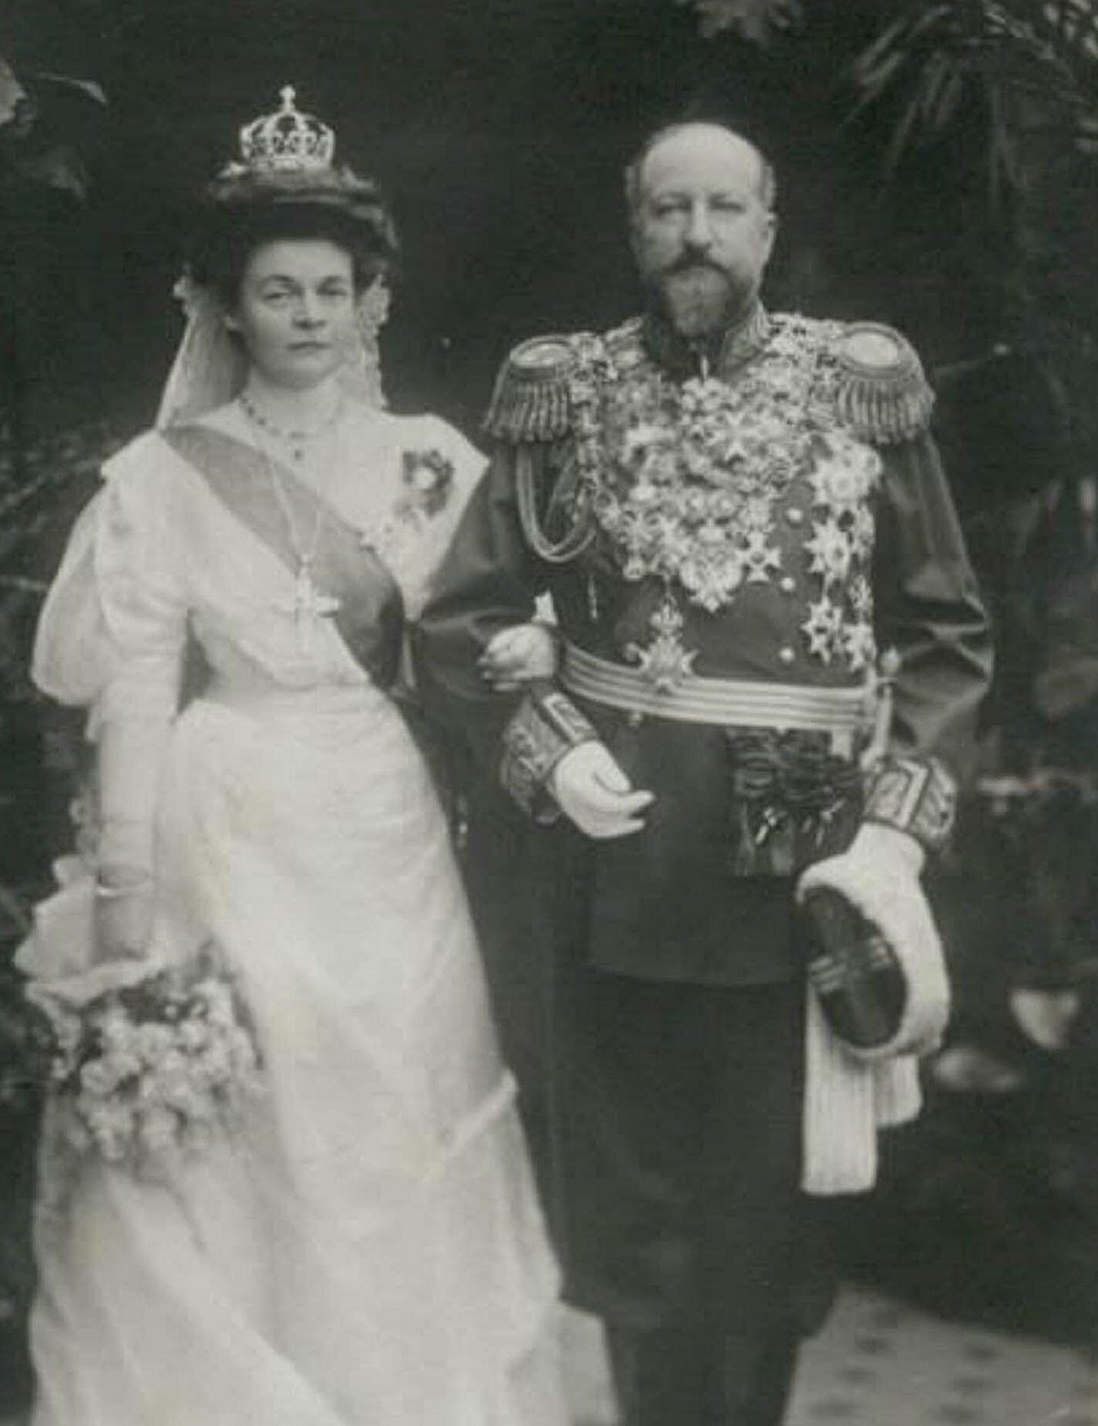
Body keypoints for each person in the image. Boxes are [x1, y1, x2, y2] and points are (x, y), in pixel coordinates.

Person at [413, 118, 993, 1426]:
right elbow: (457, 624)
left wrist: (896, 835)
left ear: (769, 228)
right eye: (670, 209)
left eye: (724, 209)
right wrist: (548, 756)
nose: (696, 237)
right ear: (634, 227)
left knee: (770, 1225)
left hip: (807, 876)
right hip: (618, 861)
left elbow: (948, 637)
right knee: (636, 1225)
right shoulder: (565, 395)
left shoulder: (859, 387)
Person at [16, 89, 569, 1426]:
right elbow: (136, 683)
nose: (309, 314)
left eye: (334, 287)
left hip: (385, 812)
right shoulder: (163, 474)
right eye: (279, 290)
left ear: (369, 299)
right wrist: (125, 885)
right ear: (227, 306)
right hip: (230, 814)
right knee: (255, 1106)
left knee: (390, 1093)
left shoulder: (431, 463)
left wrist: (529, 657)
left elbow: (482, 633)